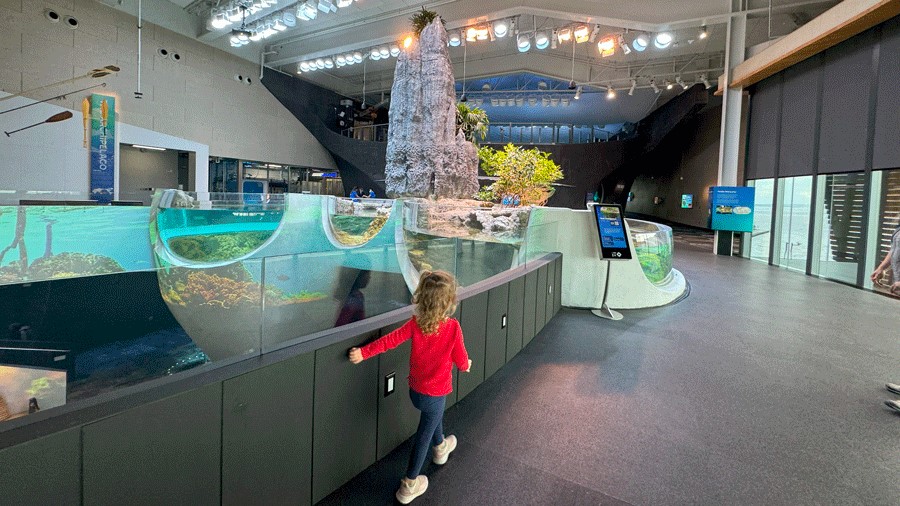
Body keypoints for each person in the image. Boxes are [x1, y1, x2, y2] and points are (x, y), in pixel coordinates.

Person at [348, 270, 472, 504]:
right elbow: (461, 358)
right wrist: (466, 366)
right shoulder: (453, 328)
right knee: (424, 433)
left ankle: (441, 446)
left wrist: (363, 353)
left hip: (415, 391)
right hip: (436, 393)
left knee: (432, 419)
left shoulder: (415, 325)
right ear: (449, 302)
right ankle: (410, 484)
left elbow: (389, 341)